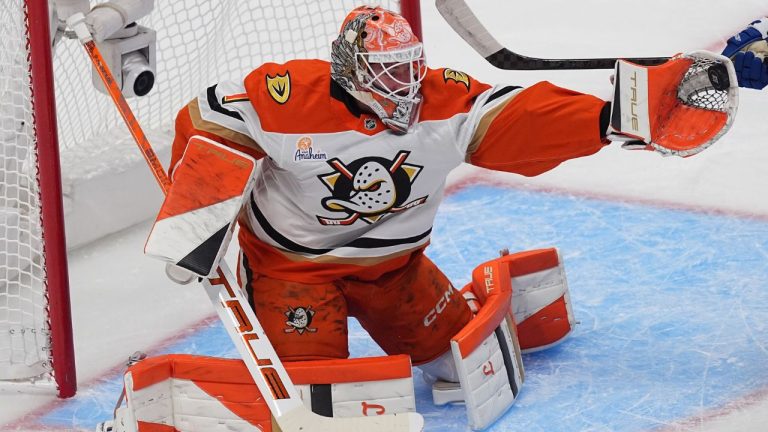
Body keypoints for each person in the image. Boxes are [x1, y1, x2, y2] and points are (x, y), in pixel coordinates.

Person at [164, 5, 762, 429]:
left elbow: (517, 118)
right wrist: (198, 212)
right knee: (318, 392)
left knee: (457, 360)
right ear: (350, 71)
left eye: (408, 67)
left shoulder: (442, 103)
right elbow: (210, 118)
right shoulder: (288, 97)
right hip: (293, 271)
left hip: (392, 267)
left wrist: (608, 118)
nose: (403, 85)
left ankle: (459, 304)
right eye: (386, 72)